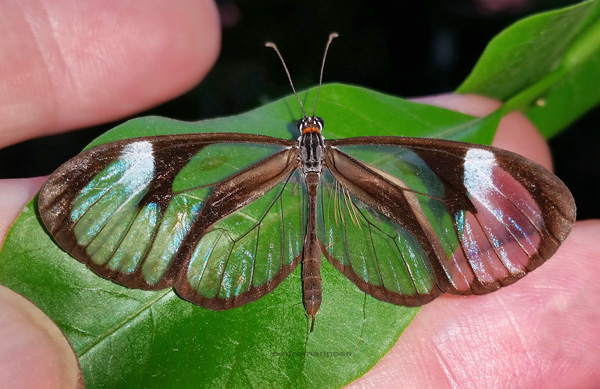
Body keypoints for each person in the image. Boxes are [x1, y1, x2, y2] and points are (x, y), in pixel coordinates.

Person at [0, 1, 598, 388]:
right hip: (362, 222)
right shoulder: (385, 158)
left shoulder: (253, 153)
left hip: (260, 219)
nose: (308, 128)